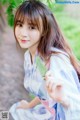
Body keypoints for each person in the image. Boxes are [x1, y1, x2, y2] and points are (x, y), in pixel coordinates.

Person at [9, 0, 80, 120]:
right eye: (20, 25)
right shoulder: (29, 56)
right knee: (7, 113)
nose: (23, 33)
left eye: (32, 27)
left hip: (63, 115)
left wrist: (64, 100)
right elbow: (44, 92)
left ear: (44, 31)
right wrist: (29, 105)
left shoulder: (56, 60)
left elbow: (76, 106)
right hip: (46, 111)